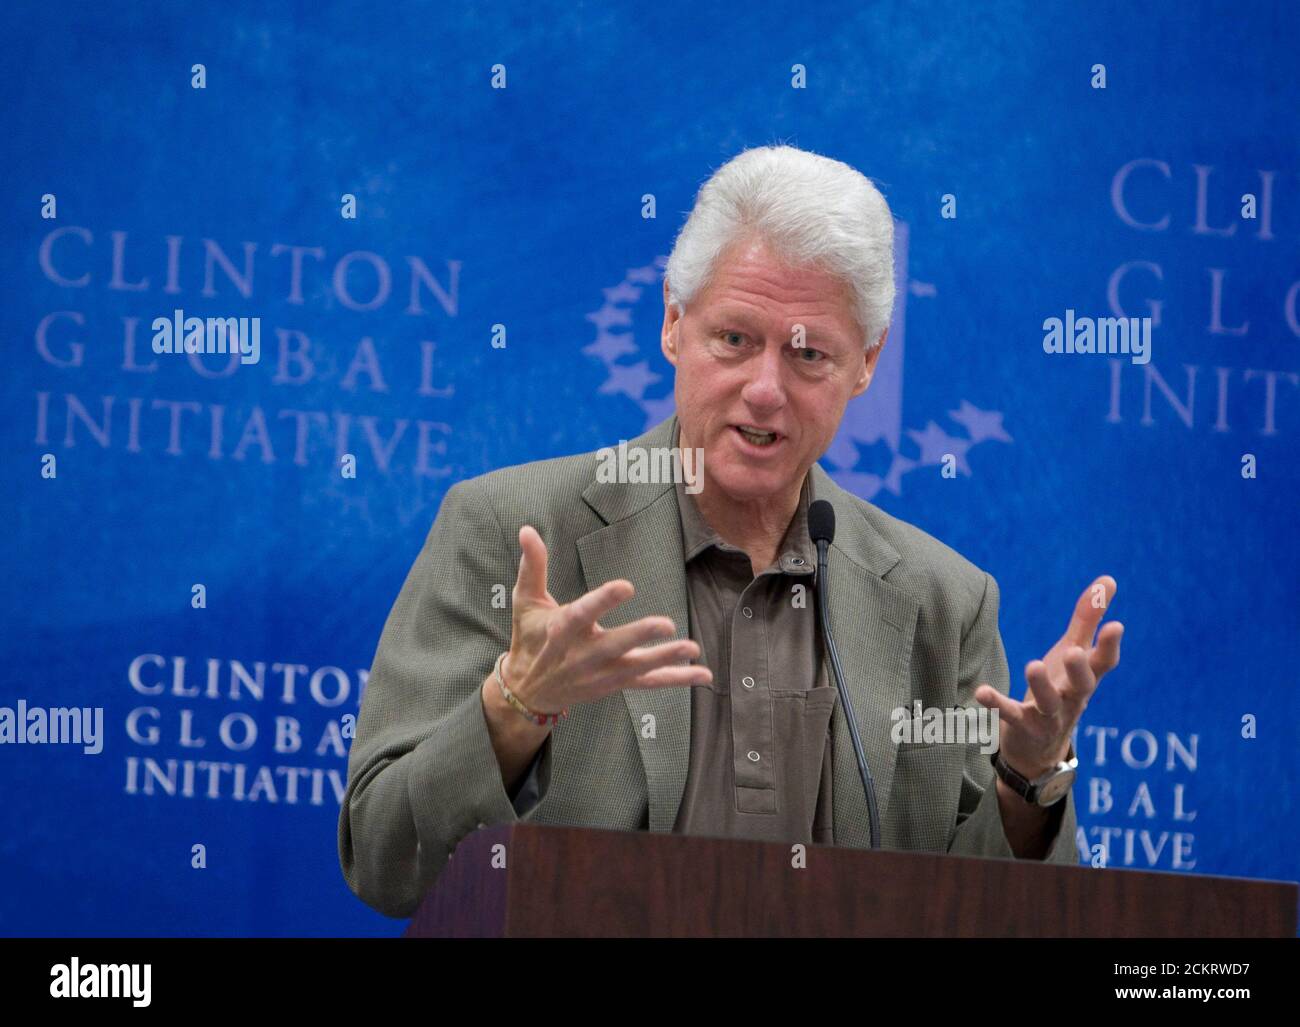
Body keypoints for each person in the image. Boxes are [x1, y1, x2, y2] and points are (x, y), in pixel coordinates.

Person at [338, 144, 1124, 919]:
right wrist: (515, 707)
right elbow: (384, 856)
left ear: (867, 364)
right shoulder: (512, 532)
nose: (764, 390)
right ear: (674, 325)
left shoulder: (941, 600)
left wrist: (1028, 779)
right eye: (735, 339)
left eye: (809, 353)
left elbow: (984, 917)